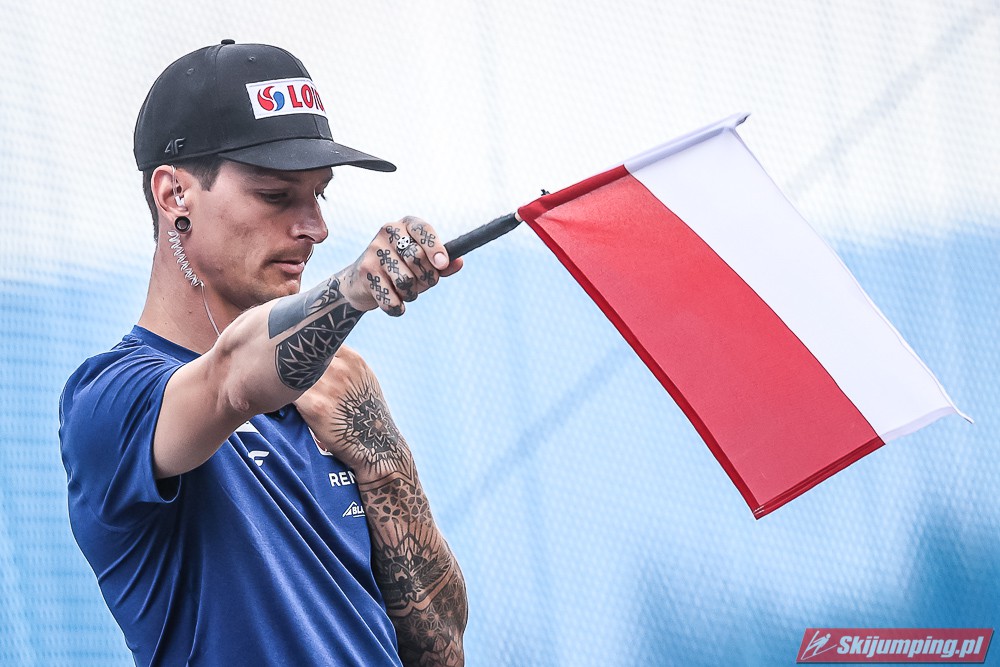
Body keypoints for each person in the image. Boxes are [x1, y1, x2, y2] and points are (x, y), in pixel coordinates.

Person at [58, 40, 468, 666]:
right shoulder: (111, 399)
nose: (316, 227)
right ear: (175, 195)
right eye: (277, 196)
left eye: (320, 194)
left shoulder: (334, 384)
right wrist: (353, 291)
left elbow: (441, 650)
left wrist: (383, 458)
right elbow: (231, 378)